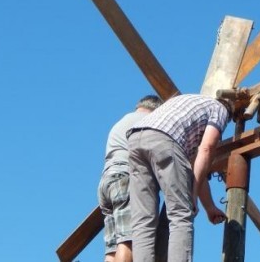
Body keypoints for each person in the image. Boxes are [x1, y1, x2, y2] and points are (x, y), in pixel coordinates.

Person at [127, 94, 231, 262]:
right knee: (181, 214)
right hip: (165, 138)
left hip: (136, 137)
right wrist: (192, 197)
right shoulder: (220, 109)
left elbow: (193, 168)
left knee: (143, 219)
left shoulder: (188, 106)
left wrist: (209, 207)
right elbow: (207, 148)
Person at [98, 95, 163, 262]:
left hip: (107, 182)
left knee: (112, 249)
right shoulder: (150, 121)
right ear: (157, 109)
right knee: (130, 240)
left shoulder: (121, 122)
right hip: (127, 179)